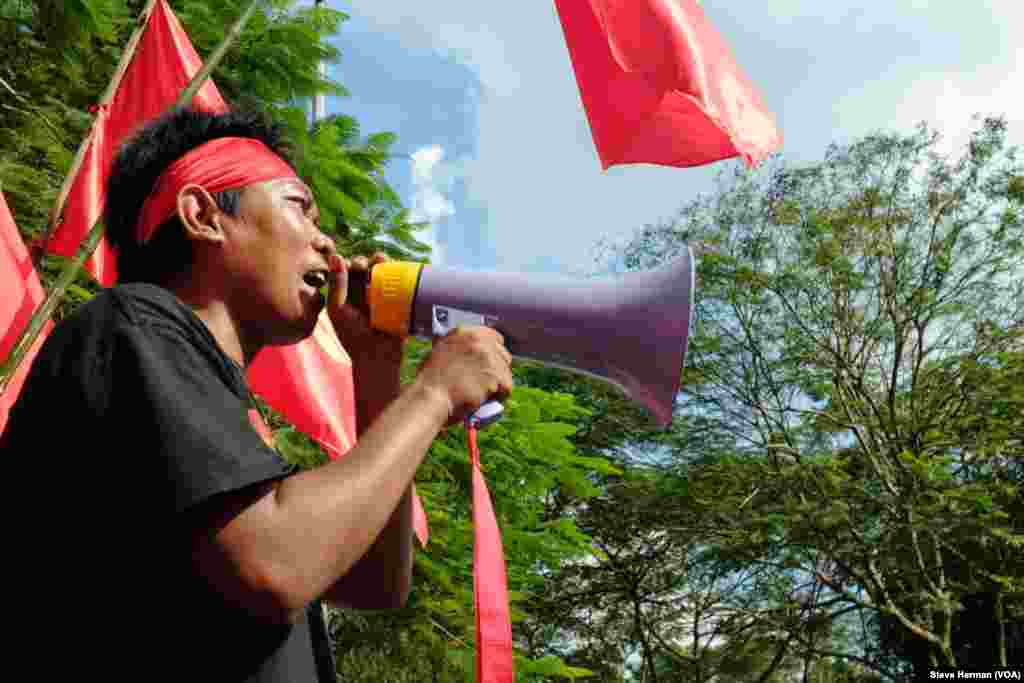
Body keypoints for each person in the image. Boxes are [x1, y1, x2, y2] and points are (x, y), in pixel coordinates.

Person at [0, 107, 513, 681]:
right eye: (299, 206)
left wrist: (376, 374)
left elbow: (376, 580)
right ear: (203, 215)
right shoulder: (130, 323)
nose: (327, 243)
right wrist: (435, 392)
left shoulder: (203, 390)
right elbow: (275, 565)